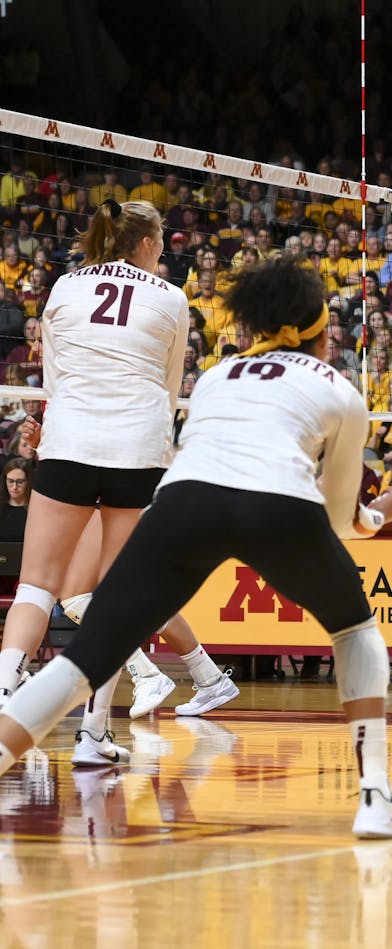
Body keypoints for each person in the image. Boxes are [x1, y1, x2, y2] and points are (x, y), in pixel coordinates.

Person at [0, 258, 392, 837]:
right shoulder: (338, 390)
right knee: (355, 630)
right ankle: (375, 796)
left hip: (184, 504)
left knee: (85, 659)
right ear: (322, 331)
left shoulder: (220, 376)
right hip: (278, 504)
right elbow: (338, 518)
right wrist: (378, 517)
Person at [0, 199, 190, 768]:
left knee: (36, 585)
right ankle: (94, 734)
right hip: (136, 448)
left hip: (72, 440)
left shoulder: (64, 287)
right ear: (150, 243)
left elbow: (54, 374)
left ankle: (4, 689)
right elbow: (170, 381)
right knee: (117, 596)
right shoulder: (172, 297)